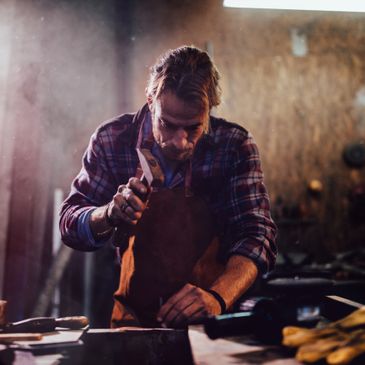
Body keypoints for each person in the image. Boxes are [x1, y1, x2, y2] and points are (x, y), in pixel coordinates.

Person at [60, 45, 277, 329]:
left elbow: (257, 235)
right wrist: (109, 214)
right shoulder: (112, 140)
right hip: (133, 325)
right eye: (167, 124)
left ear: (209, 111)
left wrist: (217, 297)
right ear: (151, 100)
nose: (180, 141)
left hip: (212, 323)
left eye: (193, 128)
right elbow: (69, 223)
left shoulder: (234, 146)